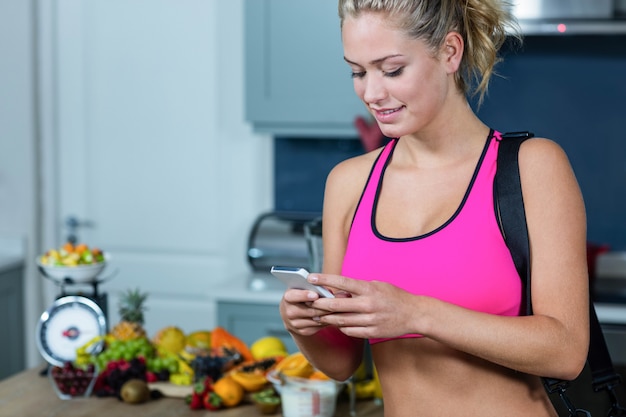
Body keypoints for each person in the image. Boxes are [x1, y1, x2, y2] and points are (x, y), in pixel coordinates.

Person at [278, 0, 589, 415]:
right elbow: (342, 363)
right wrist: (304, 326)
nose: (371, 93)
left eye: (391, 70)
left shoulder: (532, 166)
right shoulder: (349, 183)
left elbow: (566, 351)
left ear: (449, 52)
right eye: (357, 71)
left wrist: (415, 313)